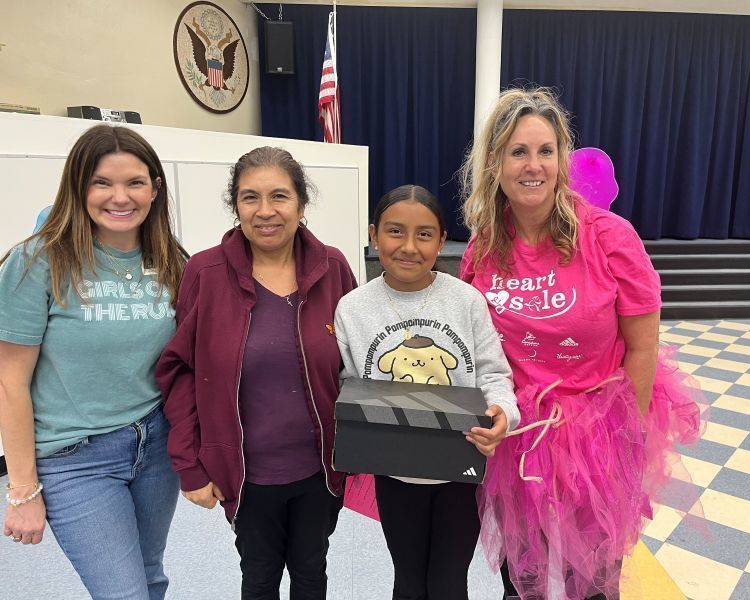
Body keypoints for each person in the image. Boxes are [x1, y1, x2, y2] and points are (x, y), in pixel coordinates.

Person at [459, 88, 706, 600]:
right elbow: (477, 349)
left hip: (598, 432)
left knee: (591, 583)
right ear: (495, 163)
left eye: (545, 150)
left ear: (561, 159)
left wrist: (627, 439)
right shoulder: (484, 246)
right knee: (521, 578)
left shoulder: (610, 237)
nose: (533, 165)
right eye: (517, 151)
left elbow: (642, 347)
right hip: (518, 434)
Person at [156, 146, 356, 599]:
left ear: (301, 205)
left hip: (320, 469)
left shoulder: (334, 267)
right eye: (250, 198)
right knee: (259, 577)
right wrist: (189, 465)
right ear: (236, 206)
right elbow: (179, 372)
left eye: (280, 197)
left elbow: (358, 363)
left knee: (311, 574)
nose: (266, 212)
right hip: (246, 473)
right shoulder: (204, 272)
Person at [0, 124, 187, 599]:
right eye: (101, 182)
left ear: (155, 188)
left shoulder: (171, 260)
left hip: (154, 445)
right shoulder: (38, 260)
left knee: (149, 576)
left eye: (134, 183)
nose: (119, 197)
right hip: (75, 457)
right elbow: (9, 382)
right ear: (77, 186)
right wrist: (22, 490)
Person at [334, 184, 521, 600]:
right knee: (409, 580)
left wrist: (502, 412)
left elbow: (494, 372)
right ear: (373, 235)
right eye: (395, 231)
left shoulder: (466, 301)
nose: (408, 247)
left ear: (441, 241)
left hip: (459, 468)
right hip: (394, 472)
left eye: (424, 234)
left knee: (449, 582)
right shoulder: (352, 308)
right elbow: (348, 382)